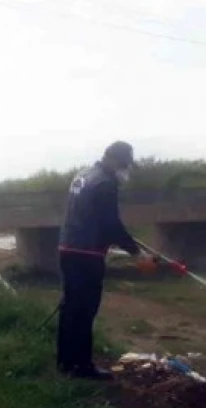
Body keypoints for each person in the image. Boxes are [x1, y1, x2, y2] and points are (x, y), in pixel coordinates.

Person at [56, 141, 153, 380]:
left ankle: (65, 362)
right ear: (112, 160)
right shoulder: (105, 183)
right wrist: (136, 253)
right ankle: (82, 367)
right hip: (87, 254)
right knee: (85, 311)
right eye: (123, 165)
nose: (124, 170)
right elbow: (111, 226)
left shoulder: (83, 175)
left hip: (68, 249)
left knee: (70, 309)